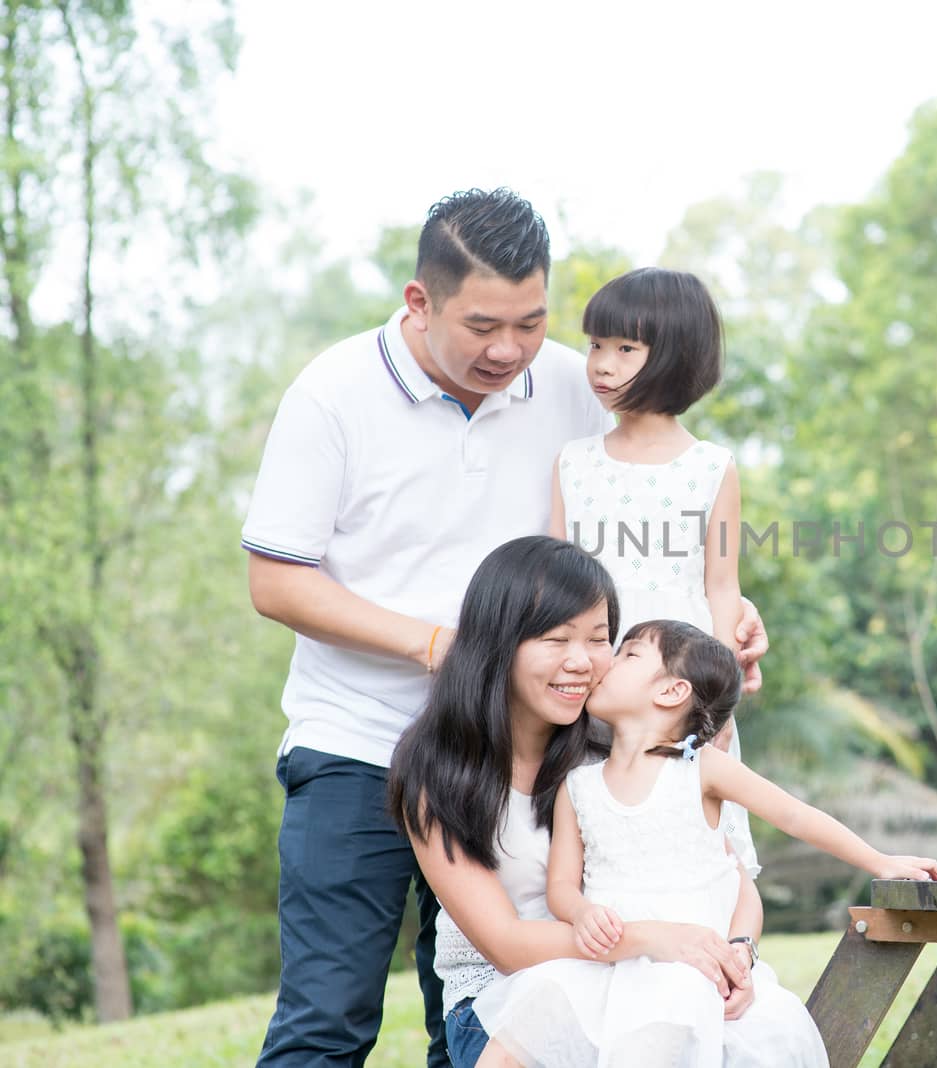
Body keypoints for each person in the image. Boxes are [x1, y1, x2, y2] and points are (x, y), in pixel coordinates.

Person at [242, 189, 769, 1067]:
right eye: (484, 325)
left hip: (525, 761)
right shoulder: (332, 395)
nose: (509, 350)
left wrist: (725, 613)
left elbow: (656, 501)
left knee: (494, 1014)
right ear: (420, 302)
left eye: (531, 323)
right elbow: (274, 580)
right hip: (361, 746)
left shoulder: (574, 381)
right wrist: (436, 647)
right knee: (327, 1018)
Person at [388, 537, 806, 1067]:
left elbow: (730, 878)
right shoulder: (439, 772)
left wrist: (736, 955)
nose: (582, 662)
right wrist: (653, 940)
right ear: (497, 643)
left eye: (599, 638)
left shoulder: (622, 749)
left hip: (644, 988)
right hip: (503, 1001)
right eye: (557, 639)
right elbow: (507, 945)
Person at [470, 617, 937, 1067]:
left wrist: (879, 861)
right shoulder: (578, 786)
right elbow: (561, 886)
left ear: (672, 690)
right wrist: (581, 913)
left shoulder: (702, 771)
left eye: (629, 654)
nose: (606, 663)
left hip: (695, 975)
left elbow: (794, 815)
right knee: (516, 1036)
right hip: (608, 967)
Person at [550, 266, 758, 874]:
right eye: (595, 345)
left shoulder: (711, 466)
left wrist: (718, 710)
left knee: (691, 843)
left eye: (625, 349)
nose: (601, 364)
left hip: (678, 686)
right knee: (593, 841)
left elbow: (722, 589)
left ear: (673, 356)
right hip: (589, 680)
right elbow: (555, 582)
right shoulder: (573, 462)